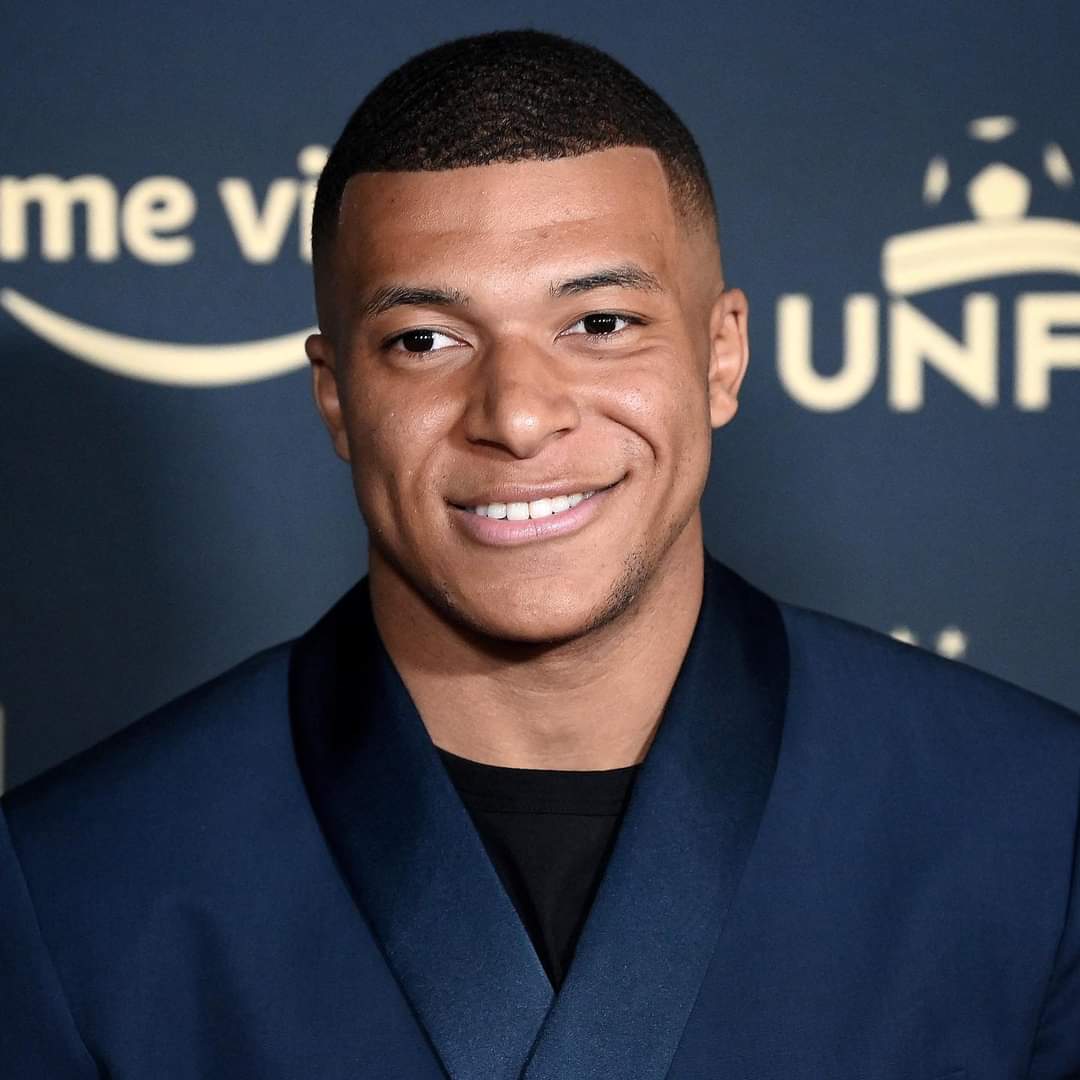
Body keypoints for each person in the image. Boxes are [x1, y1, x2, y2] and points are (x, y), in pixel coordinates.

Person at [2, 29, 1078, 1080]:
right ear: (336, 397)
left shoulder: (1038, 825)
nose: (517, 418)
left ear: (722, 356)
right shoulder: (74, 885)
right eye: (425, 340)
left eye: (600, 324)